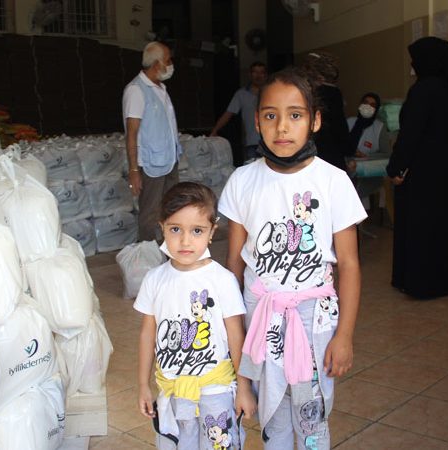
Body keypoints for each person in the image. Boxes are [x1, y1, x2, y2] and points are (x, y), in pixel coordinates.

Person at [220, 67, 366, 449]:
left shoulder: (333, 181)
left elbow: (348, 264)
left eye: (295, 115)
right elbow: (234, 264)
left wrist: (345, 336)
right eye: (270, 115)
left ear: (315, 121)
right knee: (271, 412)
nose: (282, 127)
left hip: (313, 317)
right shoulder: (242, 181)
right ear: (257, 120)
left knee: (311, 414)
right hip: (260, 313)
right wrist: (230, 326)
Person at [135, 182, 256, 450]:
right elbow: (147, 334)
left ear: (212, 232)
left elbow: (237, 336)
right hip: (172, 390)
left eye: (197, 230)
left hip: (216, 390)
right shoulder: (155, 280)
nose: (186, 241)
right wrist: (143, 384)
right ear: (162, 226)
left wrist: (244, 388)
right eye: (175, 229)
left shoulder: (222, 280)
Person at [385, 37, 448, 300]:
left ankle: (422, 282)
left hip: (424, 171)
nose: (412, 66)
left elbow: (411, 134)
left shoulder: (425, 89)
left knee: (422, 226)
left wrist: (396, 168)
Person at [123, 41, 182, 242]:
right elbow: (132, 133)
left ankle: (168, 253)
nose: (171, 64)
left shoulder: (161, 88)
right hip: (150, 165)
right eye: (168, 60)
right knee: (149, 213)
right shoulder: (136, 90)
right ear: (157, 64)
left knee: (172, 210)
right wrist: (133, 171)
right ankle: (146, 258)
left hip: (169, 161)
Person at [210, 62, 268, 163]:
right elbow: (228, 113)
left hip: (271, 142)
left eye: (261, 72)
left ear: (266, 75)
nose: (258, 76)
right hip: (252, 143)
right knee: (252, 174)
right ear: (250, 75)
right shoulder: (241, 94)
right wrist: (215, 130)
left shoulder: (272, 92)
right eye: (255, 72)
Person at [302, 52, 350, 171]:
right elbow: (339, 125)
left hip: (312, 149)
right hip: (330, 150)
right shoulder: (332, 93)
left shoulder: (306, 93)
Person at [345, 93, 391, 158]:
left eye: (372, 105)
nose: (367, 106)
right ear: (360, 105)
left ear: (376, 109)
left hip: (366, 165)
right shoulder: (349, 121)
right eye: (365, 103)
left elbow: (387, 154)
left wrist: (365, 156)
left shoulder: (380, 127)